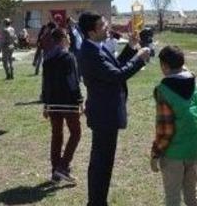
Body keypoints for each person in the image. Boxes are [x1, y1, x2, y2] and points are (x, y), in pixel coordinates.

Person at [78, 12, 151, 206]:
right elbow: (117, 75)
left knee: (102, 162)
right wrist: (139, 58)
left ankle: (97, 201)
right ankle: (97, 202)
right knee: (101, 163)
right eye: (103, 26)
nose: (107, 28)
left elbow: (114, 67)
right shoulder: (91, 52)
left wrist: (131, 47)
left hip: (105, 113)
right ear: (91, 32)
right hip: (104, 115)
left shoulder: (97, 46)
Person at [150, 46, 197, 206]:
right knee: (191, 195)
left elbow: (165, 130)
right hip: (193, 149)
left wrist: (155, 153)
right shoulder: (196, 84)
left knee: (172, 198)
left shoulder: (163, 91)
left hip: (173, 153)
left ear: (164, 66)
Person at [42, 28, 83, 183]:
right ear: (63, 39)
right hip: (68, 103)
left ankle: (55, 172)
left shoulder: (47, 58)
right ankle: (63, 167)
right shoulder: (68, 57)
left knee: (56, 135)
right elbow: (73, 81)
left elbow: (45, 84)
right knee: (76, 133)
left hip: (53, 104)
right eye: (68, 36)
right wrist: (80, 100)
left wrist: (46, 104)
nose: (70, 38)